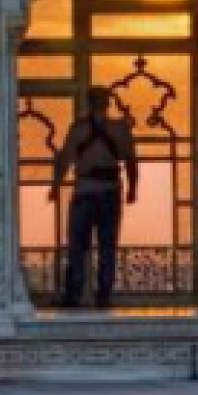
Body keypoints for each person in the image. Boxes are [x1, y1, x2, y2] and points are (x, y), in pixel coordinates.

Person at [49, 86, 138, 309]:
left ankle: (74, 295)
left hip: (85, 191)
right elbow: (130, 161)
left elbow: (65, 159)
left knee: (78, 246)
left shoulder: (79, 129)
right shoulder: (119, 129)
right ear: (107, 103)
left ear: (89, 103)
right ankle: (103, 296)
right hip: (109, 191)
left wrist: (55, 186)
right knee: (106, 246)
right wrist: (132, 188)